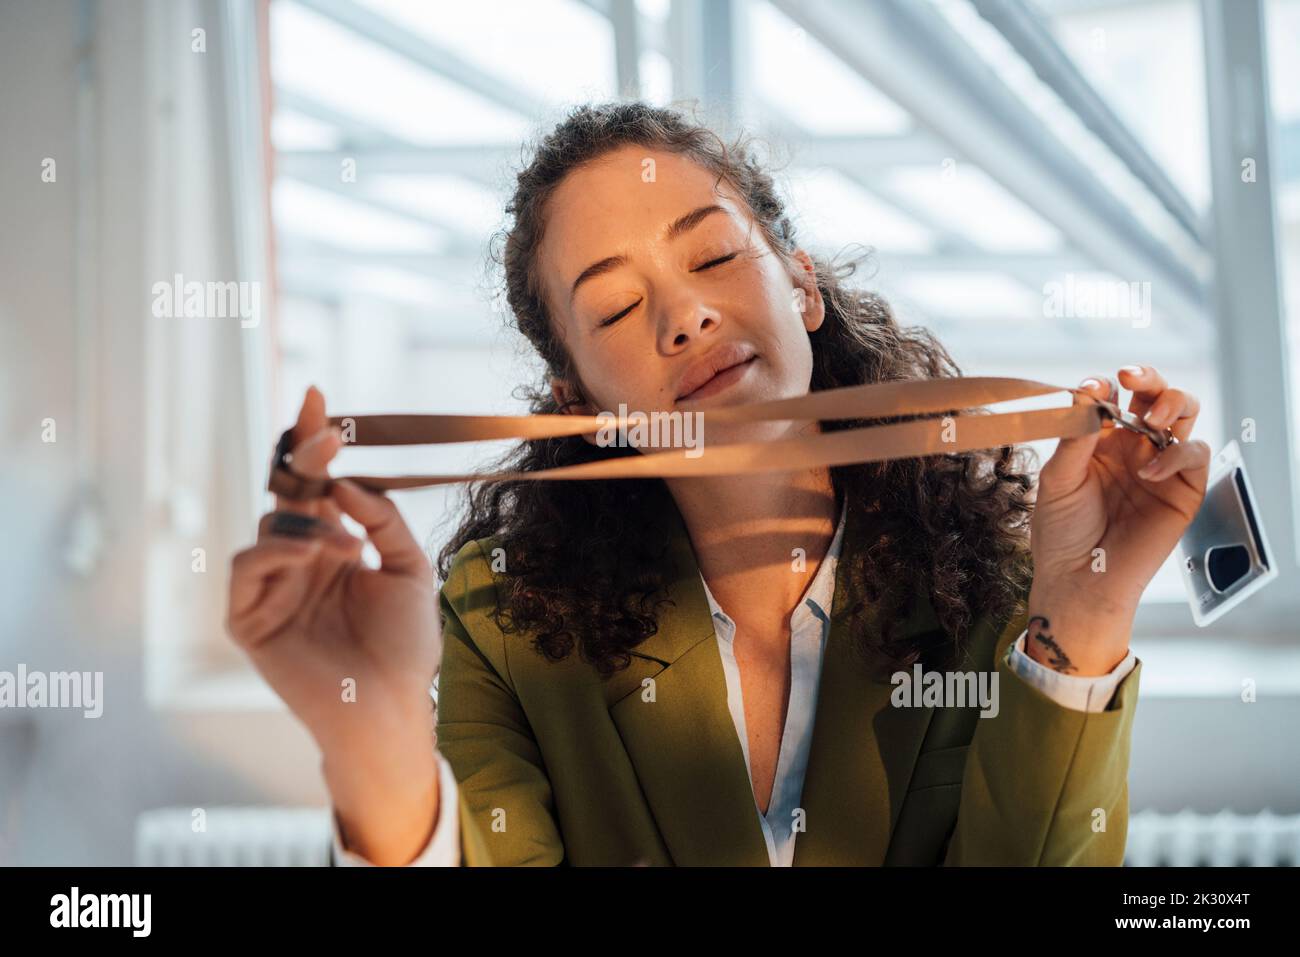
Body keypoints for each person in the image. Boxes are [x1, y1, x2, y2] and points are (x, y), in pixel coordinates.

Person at [224, 101, 1210, 866]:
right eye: (614, 308)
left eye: (712, 254)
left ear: (800, 284)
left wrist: (1081, 618)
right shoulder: (497, 617)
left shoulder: (1000, 583)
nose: (685, 316)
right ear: (580, 399)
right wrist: (375, 739)